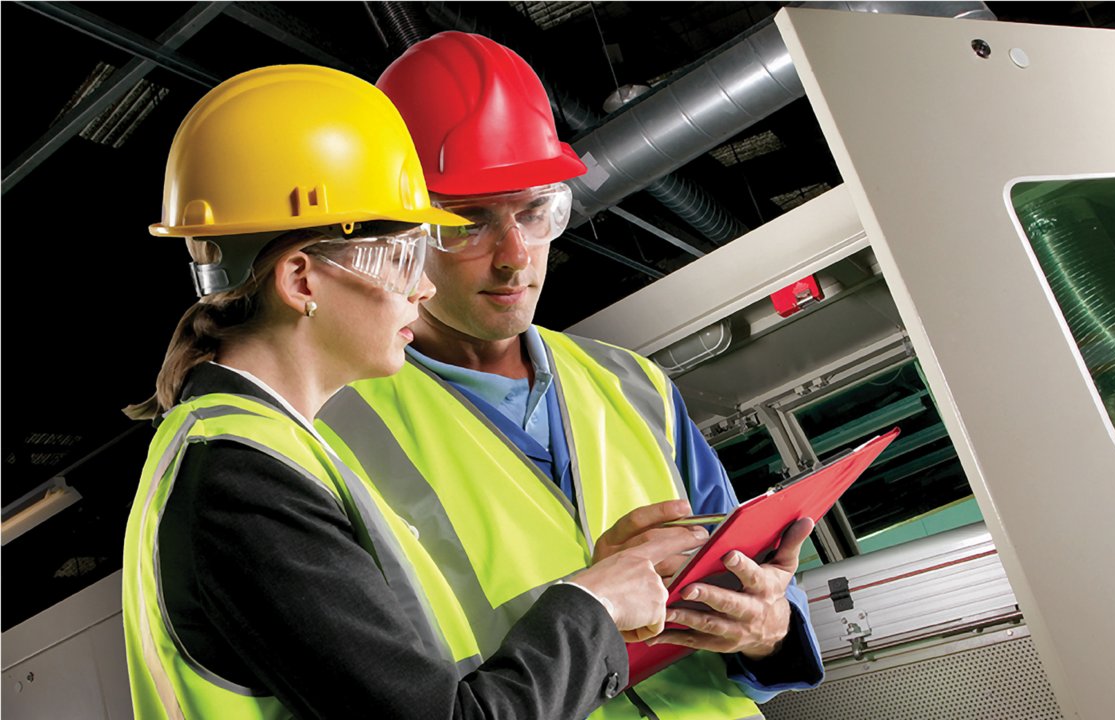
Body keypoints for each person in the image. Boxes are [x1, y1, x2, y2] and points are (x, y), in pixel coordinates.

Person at [121, 64, 699, 719]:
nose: (422, 289)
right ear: (302, 282)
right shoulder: (240, 479)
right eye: (400, 259)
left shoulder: (268, 451)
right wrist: (591, 604)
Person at [317, 32, 825, 719]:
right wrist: (591, 599)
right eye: (468, 224)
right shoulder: (333, 431)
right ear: (400, 230)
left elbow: (746, 570)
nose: (514, 256)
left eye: (535, 212)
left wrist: (769, 627)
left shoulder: (632, 384)